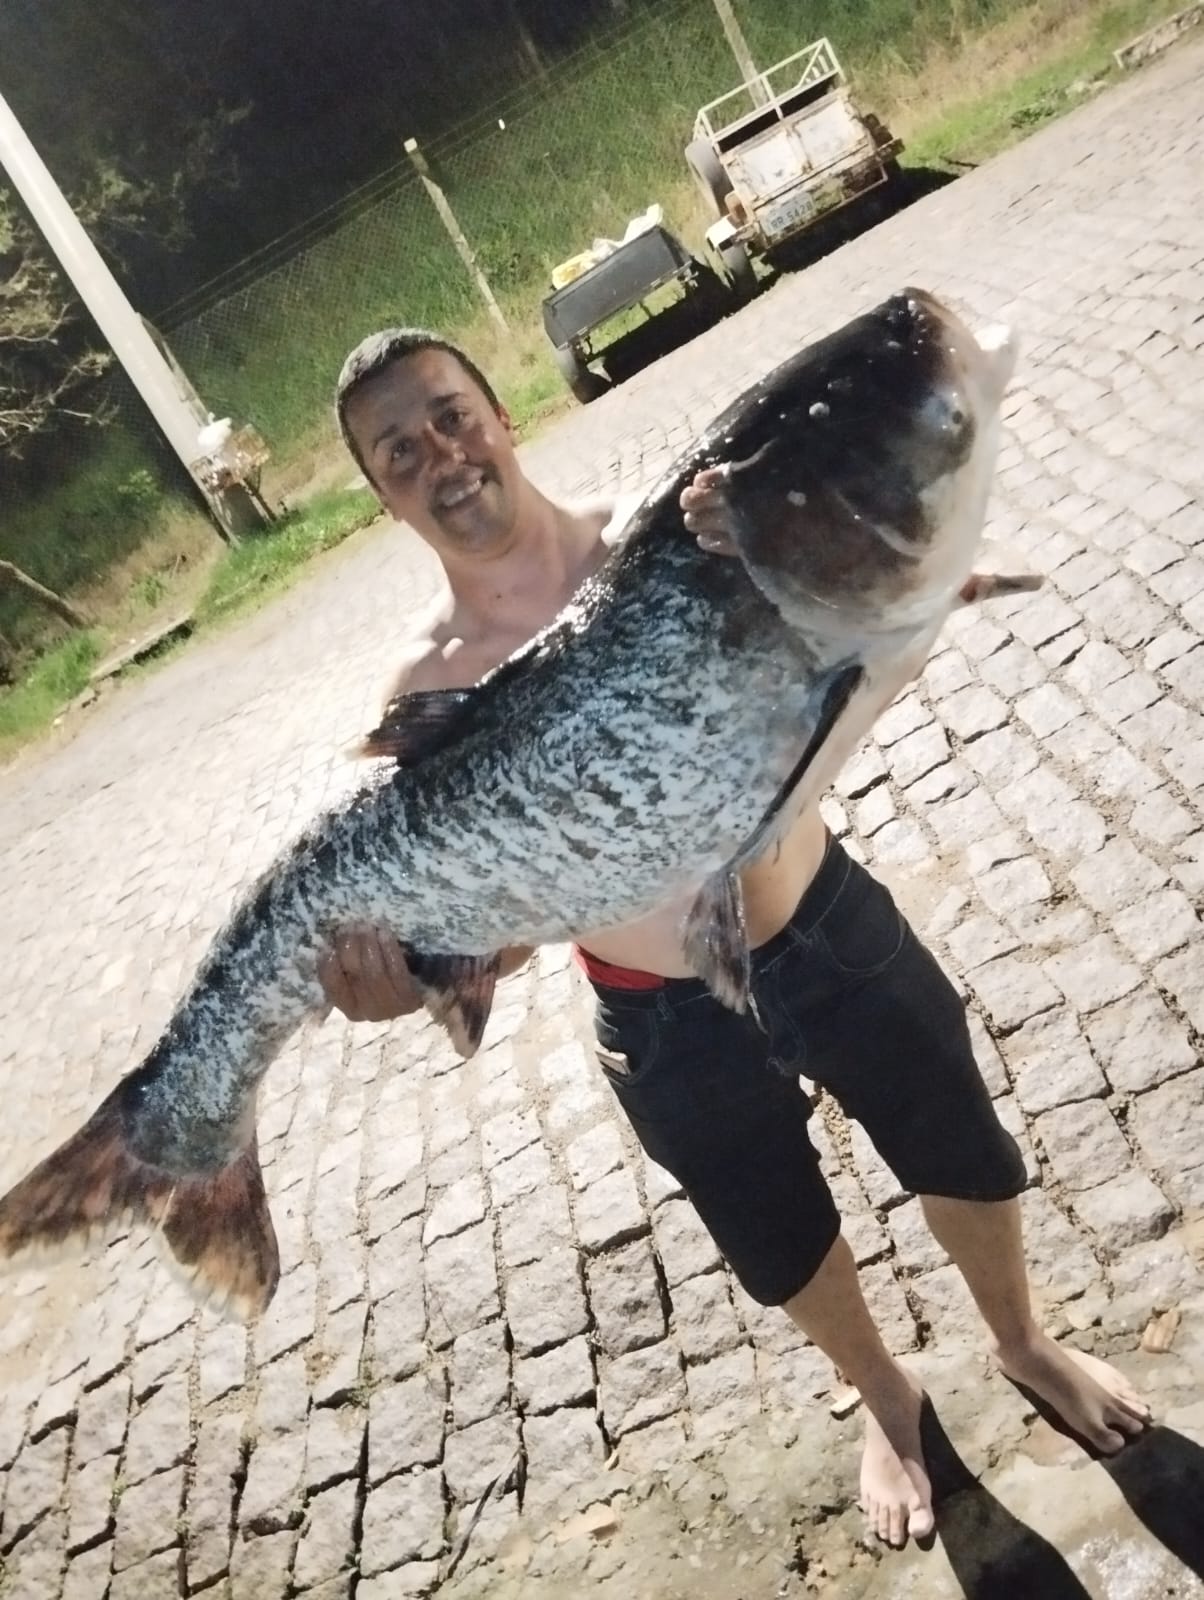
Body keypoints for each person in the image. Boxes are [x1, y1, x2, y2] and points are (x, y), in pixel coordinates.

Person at [319, 326, 1150, 1548]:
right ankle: (888, 1401)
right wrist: (404, 977)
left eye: (450, 414)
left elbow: (847, 646)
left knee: (957, 1144)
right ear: (383, 495)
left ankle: (1023, 1343)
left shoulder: (665, 528)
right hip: (657, 1013)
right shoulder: (422, 688)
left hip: (818, 918)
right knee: (780, 1234)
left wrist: (798, 566)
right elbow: (495, 928)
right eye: (399, 449)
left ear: (499, 412)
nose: (439, 454)